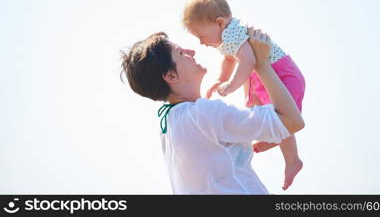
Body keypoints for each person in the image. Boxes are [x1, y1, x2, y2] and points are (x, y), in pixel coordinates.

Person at [120, 28, 305, 194]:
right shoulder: (202, 114)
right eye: (181, 52)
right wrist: (261, 64)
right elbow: (292, 121)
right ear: (171, 76)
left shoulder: (170, 127)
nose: (191, 52)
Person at [182, 0, 306, 190]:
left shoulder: (232, 33)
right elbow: (230, 58)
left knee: (281, 115)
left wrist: (230, 86)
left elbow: (247, 60)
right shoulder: (228, 36)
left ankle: (292, 160)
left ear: (220, 23)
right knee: (257, 106)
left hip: (282, 73)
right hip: (267, 75)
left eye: (202, 36)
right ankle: (274, 138)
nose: (201, 43)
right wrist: (221, 79)